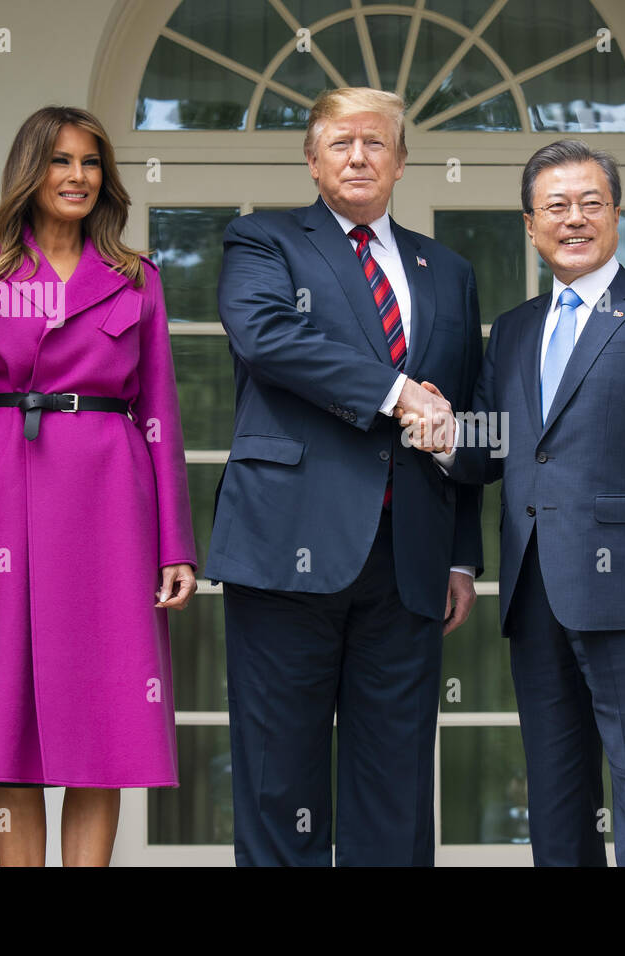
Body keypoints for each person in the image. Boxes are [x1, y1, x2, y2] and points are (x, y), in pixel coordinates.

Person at [410, 140, 625, 866]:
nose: (574, 219)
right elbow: (497, 446)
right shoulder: (517, 329)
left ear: (616, 213)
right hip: (535, 594)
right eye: (556, 206)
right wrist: (443, 433)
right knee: (555, 801)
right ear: (529, 224)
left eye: (590, 203)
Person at [207, 87, 484, 866]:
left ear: (400, 161)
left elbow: (458, 413)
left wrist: (462, 554)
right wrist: (395, 393)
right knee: (279, 781)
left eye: (375, 144)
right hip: (286, 545)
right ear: (311, 157)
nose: (358, 157)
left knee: (395, 790)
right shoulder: (261, 242)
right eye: (340, 143)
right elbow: (267, 337)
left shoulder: (448, 269)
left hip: (410, 560)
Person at [0, 106, 197, 866]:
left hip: (113, 502)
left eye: (89, 162)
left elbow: (162, 414)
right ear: (30, 173)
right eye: (60, 161)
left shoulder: (136, 277)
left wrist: (174, 544)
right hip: (5, 498)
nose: (77, 176)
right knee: (5, 720)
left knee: (105, 721)